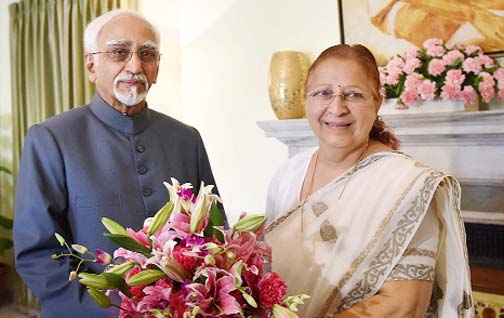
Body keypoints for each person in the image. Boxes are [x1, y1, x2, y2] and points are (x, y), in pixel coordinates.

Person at [13, 9, 226, 318]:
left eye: (147, 54)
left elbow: (213, 232)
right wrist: (116, 312)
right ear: (91, 65)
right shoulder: (51, 138)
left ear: (156, 68)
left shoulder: (186, 138)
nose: (135, 65)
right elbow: (38, 254)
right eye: (119, 52)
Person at [265, 44, 473, 317]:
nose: (337, 108)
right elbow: (266, 273)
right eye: (323, 93)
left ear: (377, 101)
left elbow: (403, 305)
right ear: (307, 99)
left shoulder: (407, 185)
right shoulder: (287, 174)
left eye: (353, 94)